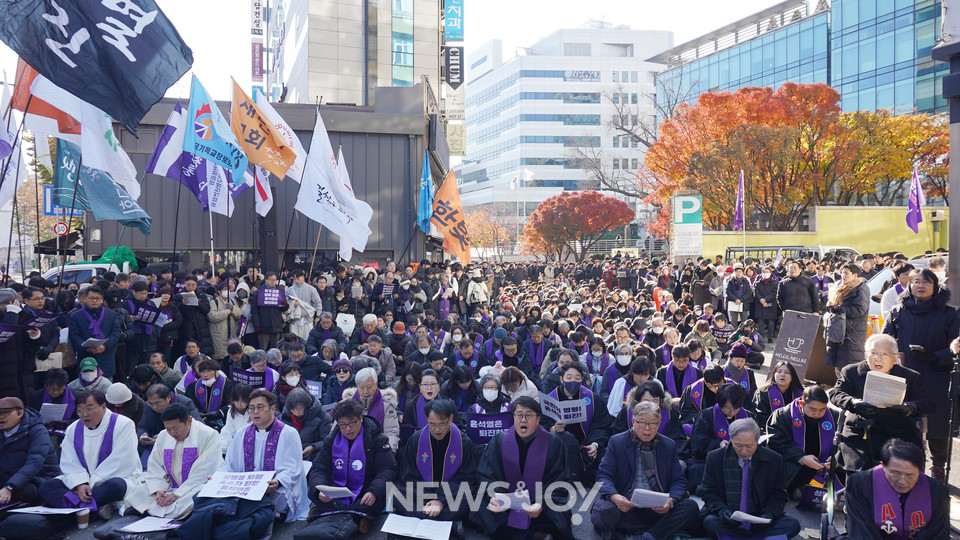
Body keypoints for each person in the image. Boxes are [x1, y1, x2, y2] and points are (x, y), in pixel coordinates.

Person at [883, 267, 960, 483]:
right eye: (915, 281)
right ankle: (911, 470)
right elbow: (886, 340)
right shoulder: (897, 312)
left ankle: (938, 469)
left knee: (938, 429)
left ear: (935, 287)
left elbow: (956, 345)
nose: (920, 285)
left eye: (926, 282)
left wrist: (937, 356)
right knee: (907, 426)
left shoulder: (949, 313)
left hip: (938, 376)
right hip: (905, 377)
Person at [591, 400, 699, 540]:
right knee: (605, 512)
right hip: (626, 505)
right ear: (633, 422)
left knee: (690, 507)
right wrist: (614, 496)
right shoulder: (617, 442)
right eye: (642, 423)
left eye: (652, 423)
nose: (647, 428)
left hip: (657, 508)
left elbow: (678, 480)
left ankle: (647, 536)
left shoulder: (668, 445)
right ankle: (657, 532)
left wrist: (671, 501)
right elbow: (604, 475)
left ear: (659, 424)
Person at [831, 333, 933, 474]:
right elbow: (835, 394)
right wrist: (853, 402)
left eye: (885, 354)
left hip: (898, 431)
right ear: (866, 354)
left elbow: (928, 403)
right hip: (860, 430)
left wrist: (910, 407)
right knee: (857, 471)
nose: (878, 358)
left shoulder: (911, 376)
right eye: (873, 353)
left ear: (896, 357)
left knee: (906, 468)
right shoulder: (851, 372)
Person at [474, 396, 573, 540]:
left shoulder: (554, 444)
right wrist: (496, 496)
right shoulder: (499, 441)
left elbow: (560, 479)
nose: (523, 420)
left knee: (558, 510)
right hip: (507, 503)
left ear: (538, 419)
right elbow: (487, 474)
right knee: (482, 505)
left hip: (540, 505)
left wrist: (541, 503)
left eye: (529, 415)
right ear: (513, 417)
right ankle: (537, 535)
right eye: (519, 415)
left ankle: (530, 534)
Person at [301, 399, 396, 538]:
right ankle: (355, 518)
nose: (348, 429)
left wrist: (374, 492)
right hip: (336, 491)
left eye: (352, 423)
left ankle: (343, 517)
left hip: (365, 492)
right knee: (321, 497)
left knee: (369, 502)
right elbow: (319, 468)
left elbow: (388, 469)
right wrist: (321, 489)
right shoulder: (331, 440)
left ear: (361, 419)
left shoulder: (378, 439)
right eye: (342, 425)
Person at [39, 390, 140, 518]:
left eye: (90, 409)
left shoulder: (123, 424)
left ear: (103, 407)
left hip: (111, 479)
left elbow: (123, 460)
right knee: (46, 487)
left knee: (115, 486)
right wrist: (80, 483)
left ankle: (75, 507)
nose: (85, 414)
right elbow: (69, 461)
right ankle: (93, 507)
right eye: (80, 410)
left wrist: (91, 484)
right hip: (81, 485)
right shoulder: (73, 428)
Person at [698, 418, 802, 538]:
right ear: (731, 439)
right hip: (729, 519)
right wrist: (722, 511)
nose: (744, 451)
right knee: (710, 522)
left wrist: (769, 515)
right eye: (738, 445)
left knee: (792, 525)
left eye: (749, 446)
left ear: (757, 441)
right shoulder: (715, 458)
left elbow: (778, 494)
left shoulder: (774, 459)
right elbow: (708, 492)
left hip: (760, 519)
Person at [217, 389, 308, 521]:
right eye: (252, 408)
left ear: (273, 408)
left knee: (279, 497)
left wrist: (279, 481)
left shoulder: (288, 433)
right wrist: (219, 478)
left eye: (260, 407)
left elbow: (294, 468)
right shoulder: (242, 434)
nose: (255, 412)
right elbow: (229, 464)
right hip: (246, 488)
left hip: (275, 487)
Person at [123, 403, 223, 519]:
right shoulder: (163, 436)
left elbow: (205, 470)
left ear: (189, 421)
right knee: (139, 491)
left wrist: (177, 495)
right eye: (168, 429)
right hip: (168, 487)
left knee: (200, 494)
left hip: (192, 487)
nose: (172, 433)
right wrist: (159, 489)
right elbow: (155, 466)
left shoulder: (209, 435)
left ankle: (150, 512)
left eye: (176, 428)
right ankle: (155, 511)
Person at [395, 398, 479, 530]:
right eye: (432, 424)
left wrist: (440, 500)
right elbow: (408, 474)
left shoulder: (464, 443)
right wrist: (429, 497)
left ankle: (422, 518)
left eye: (442, 424)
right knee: (397, 494)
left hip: (450, 494)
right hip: (421, 492)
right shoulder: (415, 440)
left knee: (467, 500)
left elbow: (466, 477)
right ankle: (448, 524)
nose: (437, 429)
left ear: (450, 419)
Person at [845, 439, 948, 539]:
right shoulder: (861, 484)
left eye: (909, 475)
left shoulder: (936, 491)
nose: (902, 481)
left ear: (919, 471)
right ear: (883, 466)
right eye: (895, 473)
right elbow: (861, 530)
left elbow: (937, 533)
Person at [766, 386, 841, 505]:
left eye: (822, 409)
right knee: (783, 466)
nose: (817, 414)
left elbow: (845, 442)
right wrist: (801, 458)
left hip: (826, 465)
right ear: (801, 403)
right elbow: (776, 442)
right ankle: (795, 489)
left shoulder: (835, 417)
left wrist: (836, 456)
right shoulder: (783, 415)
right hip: (797, 463)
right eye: (812, 409)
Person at [541, 362, 612, 483]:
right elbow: (542, 424)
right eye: (568, 377)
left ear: (582, 379)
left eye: (577, 378)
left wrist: (595, 444)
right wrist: (553, 429)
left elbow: (602, 425)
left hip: (586, 448)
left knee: (607, 457)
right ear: (561, 379)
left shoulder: (592, 399)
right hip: (561, 450)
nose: (573, 381)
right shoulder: (550, 400)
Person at [687, 383, 749, 490]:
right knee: (695, 469)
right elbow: (697, 444)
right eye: (728, 408)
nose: (732, 412)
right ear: (720, 404)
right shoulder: (706, 415)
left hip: (741, 460)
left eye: (736, 408)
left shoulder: (748, 417)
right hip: (713, 460)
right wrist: (717, 444)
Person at [0, 397, 60, 504]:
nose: (1, 417)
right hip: (10, 477)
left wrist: (10, 486)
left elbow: (34, 463)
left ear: (20, 413)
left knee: (27, 491)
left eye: (6, 413)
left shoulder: (37, 430)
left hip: (37, 479)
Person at [68, 286, 122, 379]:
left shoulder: (110, 314)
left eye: (97, 298)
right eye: (91, 298)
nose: (94, 301)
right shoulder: (76, 316)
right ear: (85, 298)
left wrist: (105, 345)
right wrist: (86, 348)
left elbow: (116, 331)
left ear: (101, 299)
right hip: (86, 358)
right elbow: (74, 335)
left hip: (106, 358)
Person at [825, 263, 871, 371]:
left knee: (849, 366)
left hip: (852, 332)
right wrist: (831, 307)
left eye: (846, 273)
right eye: (842, 273)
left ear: (855, 275)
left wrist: (839, 309)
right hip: (838, 330)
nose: (843, 276)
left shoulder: (861, 288)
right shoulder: (838, 287)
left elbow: (859, 310)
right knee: (838, 364)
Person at [342, 367, 400, 451]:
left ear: (376, 384)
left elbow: (391, 432)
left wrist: (388, 452)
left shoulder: (386, 403)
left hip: (378, 449)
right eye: (361, 388)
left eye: (369, 387)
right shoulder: (346, 403)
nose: (365, 391)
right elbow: (337, 430)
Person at [614, 381, 685, 442]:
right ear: (638, 401)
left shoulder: (669, 414)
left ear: (660, 401)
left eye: (655, 401)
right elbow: (619, 439)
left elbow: (677, 441)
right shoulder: (626, 413)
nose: (650, 405)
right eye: (646, 401)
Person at [279, 387, 332, 459]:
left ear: (306, 405)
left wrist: (313, 447)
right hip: (291, 456)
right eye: (292, 410)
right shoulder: (286, 416)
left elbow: (327, 440)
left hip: (315, 456)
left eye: (298, 409)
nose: (295, 413)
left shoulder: (321, 416)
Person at [752, 361, 803, 430]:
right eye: (779, 372)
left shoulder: (800, 395)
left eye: (787, 373)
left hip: (794, 432)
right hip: (768, 430)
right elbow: (760, 417)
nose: (782, 375)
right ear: (774, 375)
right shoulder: (763, 392)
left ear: (792, 377)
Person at [184, 358, 234, 429]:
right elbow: (190, 403)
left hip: (223, 421)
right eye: (202, 372)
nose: (205, 375)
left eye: (209, 371)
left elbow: (232, 402)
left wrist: (219, 413)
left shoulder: (228, 385)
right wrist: (201, 415)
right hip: (200, 422)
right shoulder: (193, 387)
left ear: (216, 372)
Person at [220, 383, 253, 455]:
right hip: (234, 445)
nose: (239, 404)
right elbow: (229, 429)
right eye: (236, 401)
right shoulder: (231, 410)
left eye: (243, 401)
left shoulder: (253, 411)